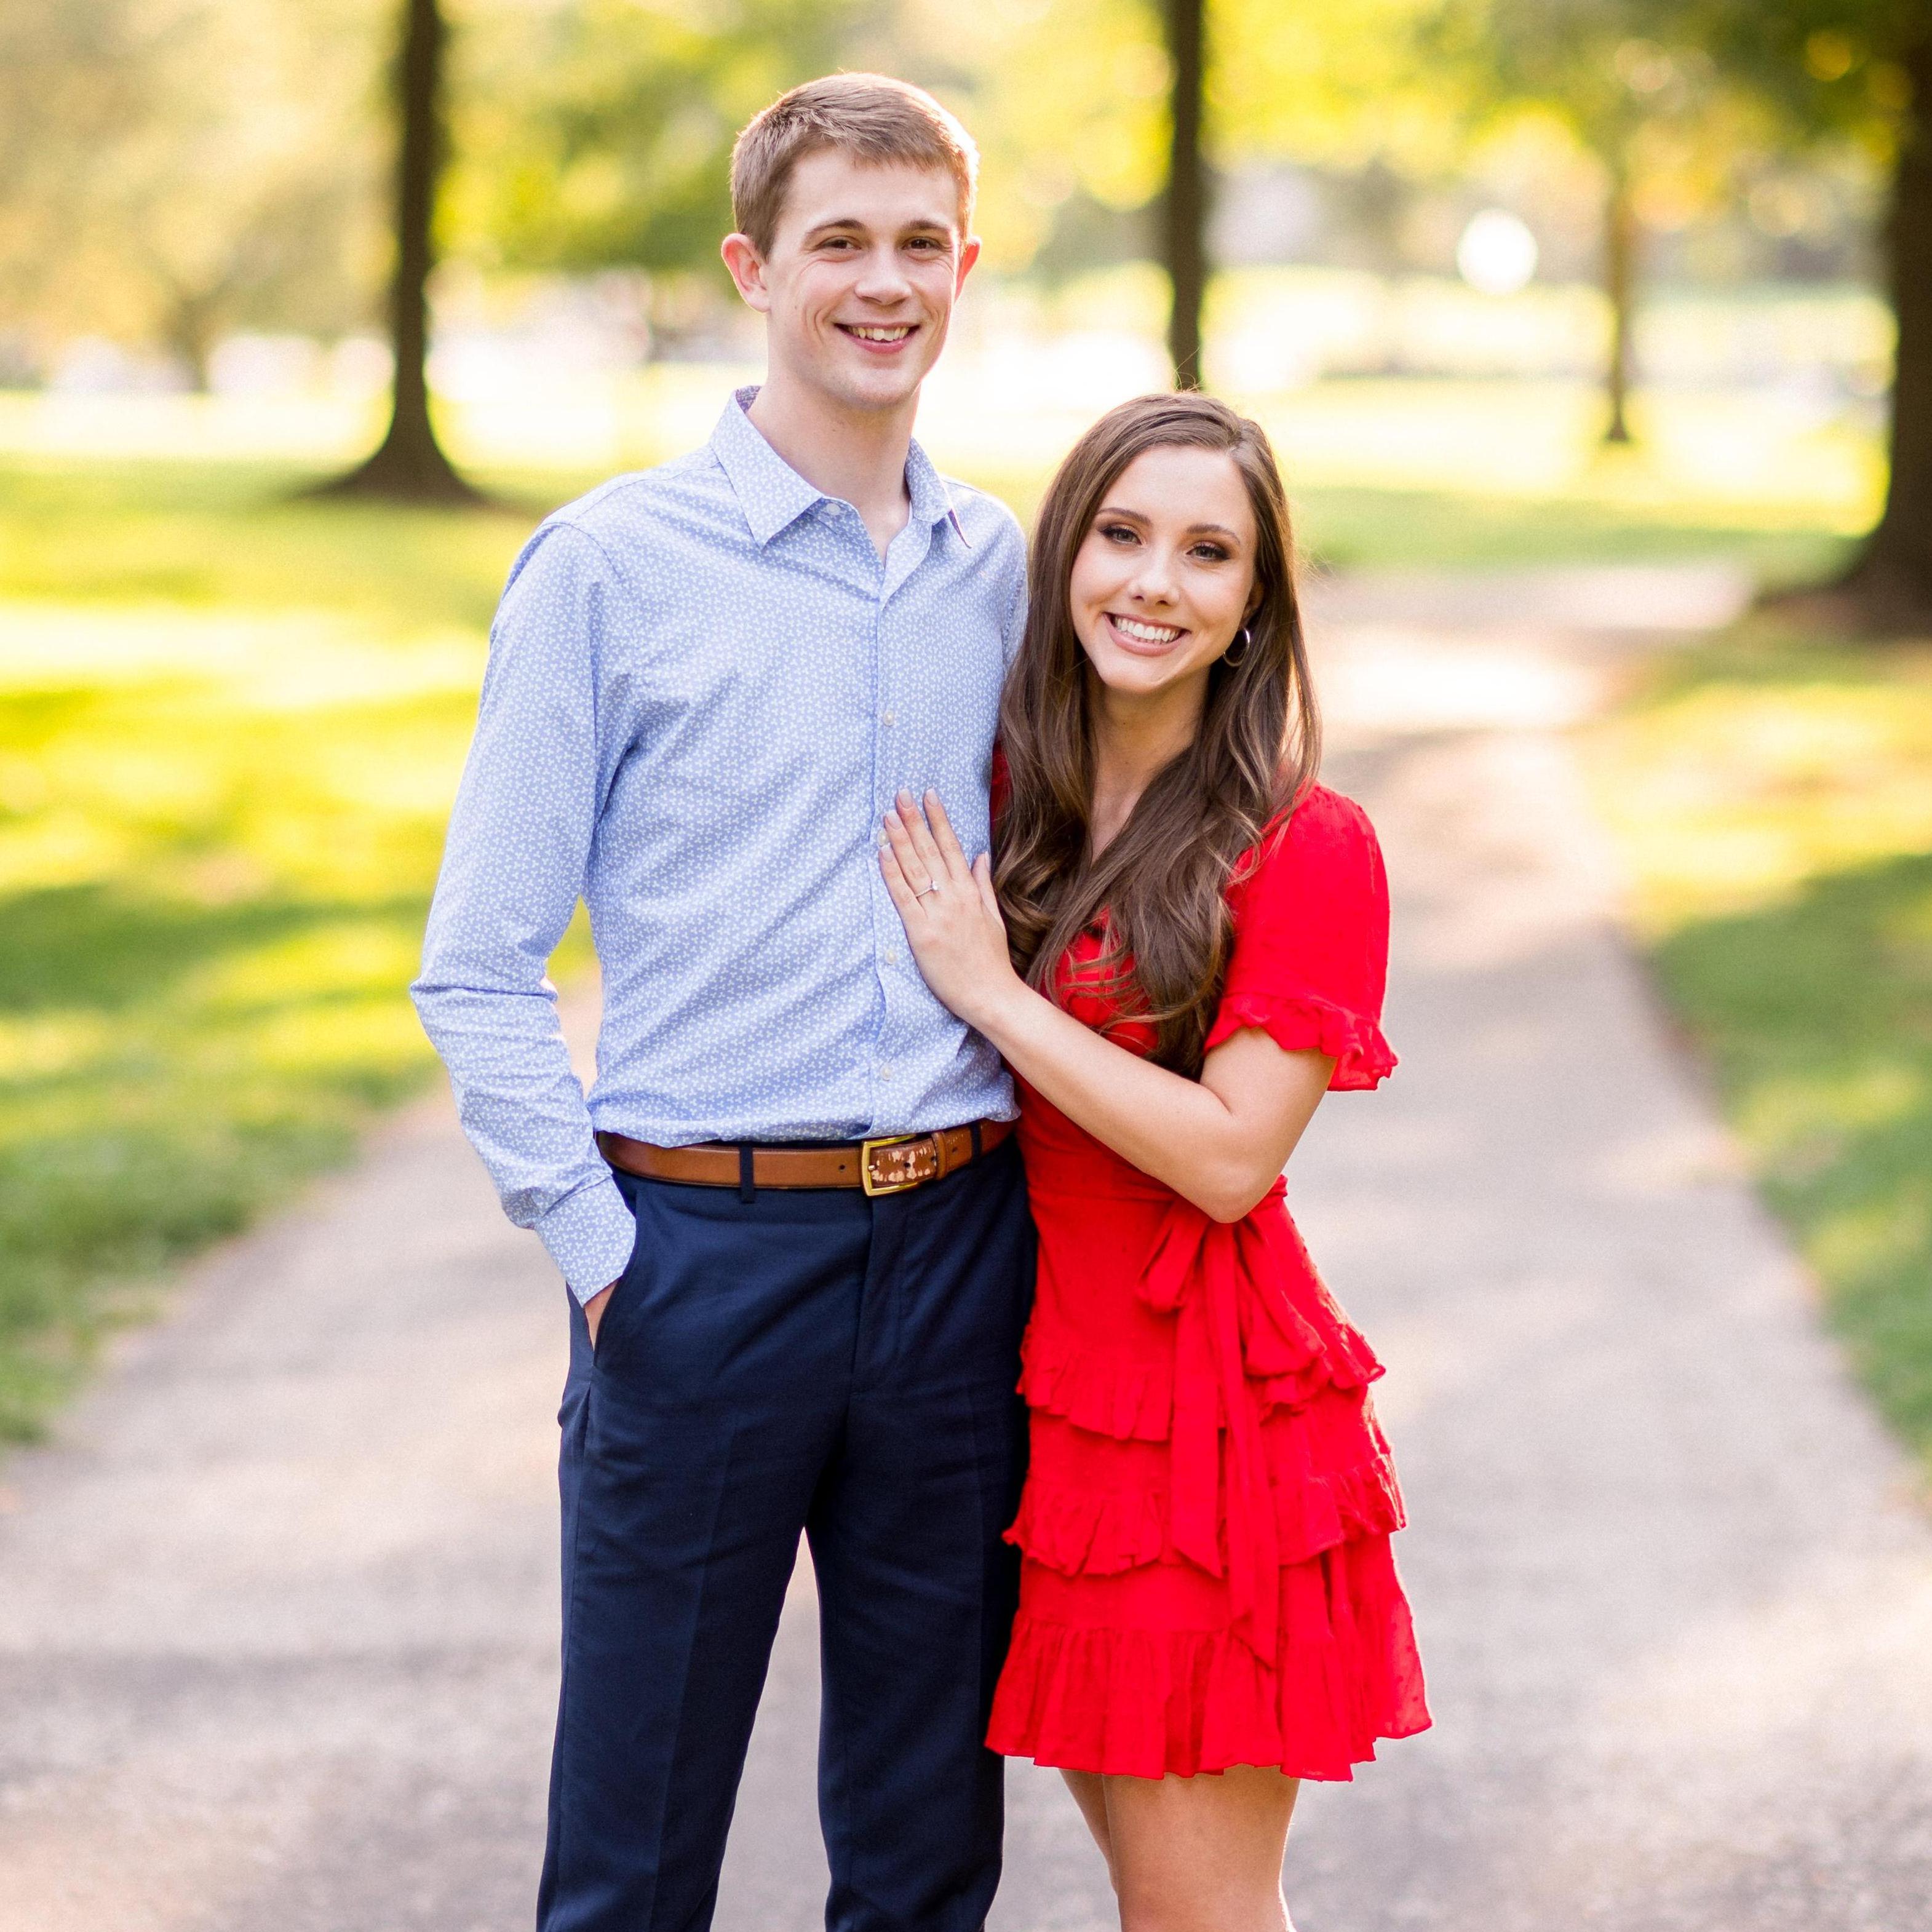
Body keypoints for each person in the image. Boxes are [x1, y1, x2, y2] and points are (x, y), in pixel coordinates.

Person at [411, 75, 1035, 1932]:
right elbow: (477, 955)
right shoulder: (608, 567)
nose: (882, 282)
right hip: (693, 1254)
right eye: (839, 241)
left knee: (927, 1846)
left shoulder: (994, 566)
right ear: (752, 266)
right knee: (634, 1858)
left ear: (965, 266)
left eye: (919, 243)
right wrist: (605, 1255)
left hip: (954, 1255)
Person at [877, 392, 1431, 1932]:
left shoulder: (1303, 843)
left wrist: (988, 989)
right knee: (1160, 1896)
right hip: (1052, 1407)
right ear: (1062, 554)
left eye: (1207, 552)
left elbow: (1233, 1157)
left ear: (1254, 606)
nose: (1153, 582)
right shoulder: (1013, 798)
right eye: (1121, 534)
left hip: (1208, 1425)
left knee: (1197, 1913)